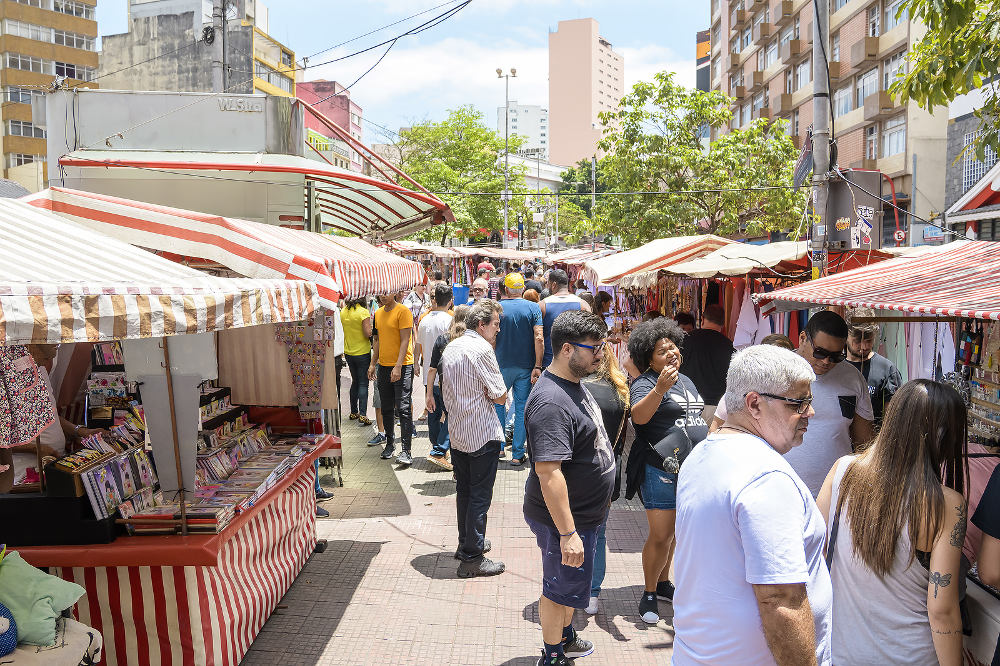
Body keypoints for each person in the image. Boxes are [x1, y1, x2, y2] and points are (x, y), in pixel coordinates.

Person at [673, 345, 831, 665]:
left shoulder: (704, 455)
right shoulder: (765, 477)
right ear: (754, 403)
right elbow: (781, 601)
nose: (810, 412)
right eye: (798, 403)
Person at [816, 379, 967, 665]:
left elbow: (813, 553)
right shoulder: (946, 504)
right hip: (913, 655)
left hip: (843, 651)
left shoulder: (842, 470)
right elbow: (942, 610)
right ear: (944, 436)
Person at [523, 310, 614, 665]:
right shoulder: (551, 401)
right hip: (563, 520)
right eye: (594, 347)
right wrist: (567, 533)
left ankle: (564, 635)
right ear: (565, 349)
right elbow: (548, 473)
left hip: (582, 514)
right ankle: (552, 655)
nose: (601, 353)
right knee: (559, 590)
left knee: (569, 587)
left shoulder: (572, 385)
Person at [710, 310, 875, 497]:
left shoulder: (853, 378)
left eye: (836, 356)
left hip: (834, 494)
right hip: (773, 492)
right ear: (803, 338)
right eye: (820, 352)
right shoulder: (770, 371)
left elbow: (865, 443)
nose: (827, 361)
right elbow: (719, 428)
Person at [625, 318, 709, 624]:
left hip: (690, 470)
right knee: (661, 535)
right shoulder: (647, 383)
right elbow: (639, 418)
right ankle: (648, 593)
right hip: (660, 469)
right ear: (648, 358)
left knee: (674, 534)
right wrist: (660, 388)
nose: (670, 353)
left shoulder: (687, 380)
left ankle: (662, 583)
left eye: (672, 346)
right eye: (662, 351)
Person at [439, 300, 508, 577]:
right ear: (481, 325)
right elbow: (500, 394)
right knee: (479, 496)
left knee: (466, 492)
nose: (498, 330)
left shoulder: (452, 346)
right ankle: (472, 557)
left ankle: (467, 542)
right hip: (480, 433)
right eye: (495, 325)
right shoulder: (481, 349)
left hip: (459, 433)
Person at [582, 348, 630, 616]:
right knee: (598, 534)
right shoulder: (620, 392)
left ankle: (575, 587)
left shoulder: (579, 390)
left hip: (579, 472)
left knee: (572, 531)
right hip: (609, 471)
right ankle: (593, 593)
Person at [494, 273, 544, 466]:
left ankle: (498, 447)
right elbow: (539, 337)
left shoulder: (497, 308)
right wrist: (538, 365)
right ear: (522, 289)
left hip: (501, 365)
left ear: (505, 290)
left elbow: (491, 337)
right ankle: (517, 453)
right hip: (526, 365)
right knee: (522, 406)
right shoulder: (533, 307)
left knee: (498, 404)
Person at [368, 293, 416, 466]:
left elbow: (405, 340)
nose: (382, 296)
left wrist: (398, 366)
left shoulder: (403, 311)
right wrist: (373, 363)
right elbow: (377, 340)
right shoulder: (378, 313)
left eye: (386, 292)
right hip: (384, 366)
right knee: (386, 407)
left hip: (402, 366)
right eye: (380, 293)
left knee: (403, 408)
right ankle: (389, 444)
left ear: (394, 292)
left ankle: (406, 450)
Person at [425, 305, 470, 471]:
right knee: (456, 423)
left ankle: (454, 466)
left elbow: (432, 369)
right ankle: (439, 451)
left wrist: (429, 394)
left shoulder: (442, 339)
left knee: (454, 423)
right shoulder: (470, 339)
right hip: (465, 389)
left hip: (444, 388)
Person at [844, 307, 902, 431]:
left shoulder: (887, 370)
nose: (864, 346)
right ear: (846, 335)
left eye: (868, 341)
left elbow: (893, 419)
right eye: (857, 341)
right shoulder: (835, 366)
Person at [679, 304, 735, 424]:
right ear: (723, 323)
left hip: (688, 402)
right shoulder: (730, 346)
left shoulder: (685, 340)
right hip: (718, 408)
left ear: (703, 319)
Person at [416, 283, 453, 435]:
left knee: (432, 410)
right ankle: (442, 448)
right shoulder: (450, 320)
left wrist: (415, 363)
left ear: (435, 299)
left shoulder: (424, 320)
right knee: (448, 412)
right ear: (450, 301)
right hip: (446, 376)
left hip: (429, 375)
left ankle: (435, 444)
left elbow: (418, 344)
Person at [540, 269, 591, 367]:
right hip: (575, 361)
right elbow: (589, 334)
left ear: (553, 284)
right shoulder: (583, 304)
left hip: (549, 361)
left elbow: (538, 336)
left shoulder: (542, 305)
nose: (547, 286)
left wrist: (537, 364)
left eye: (548, 283)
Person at [341, 297, 373, 426]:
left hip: (349, 352)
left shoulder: (343, 311)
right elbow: (367, 333)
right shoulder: (363, 312)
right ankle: (363, 414)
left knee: (355, 381)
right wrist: (372, 329)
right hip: (362, 352)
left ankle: (354, 412)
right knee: (363, 383)